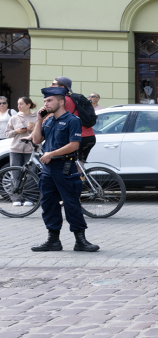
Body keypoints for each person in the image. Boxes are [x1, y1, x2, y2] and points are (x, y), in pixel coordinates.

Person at [29, 86, 99, 253]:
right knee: (48, 204)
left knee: (71, 203)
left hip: (65, 167)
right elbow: (37, 139)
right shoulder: (49, 120)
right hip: (48, 169)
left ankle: (80, 241)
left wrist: (51, 153)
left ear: (61, 102)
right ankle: (53, 240)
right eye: (45, 101)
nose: (46, 104)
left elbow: (74, 145)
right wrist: (39, 120)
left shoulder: (72, 120)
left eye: (49, 100)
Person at [53, 77, 96, 164]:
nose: (50, 85)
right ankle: (82, 177)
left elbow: (49, 119)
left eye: (53, 84)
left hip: (77, 137)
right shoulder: (72, 99)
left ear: (62, 87)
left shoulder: (62, 101)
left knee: (61, 162)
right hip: (89, 136)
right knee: (79, 164)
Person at [5, 96, 37, 208]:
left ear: (28, 105)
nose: (18, 106)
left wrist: (33, 129)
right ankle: (16, 197)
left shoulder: (37, 116)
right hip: (16, 149)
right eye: (18, 104)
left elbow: (42, 133)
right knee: (15, 173)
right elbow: (7, 133)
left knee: (31, 173)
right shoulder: (14, 118)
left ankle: (30, 198)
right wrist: (16, 131)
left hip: (31, 149)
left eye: (21, 104)